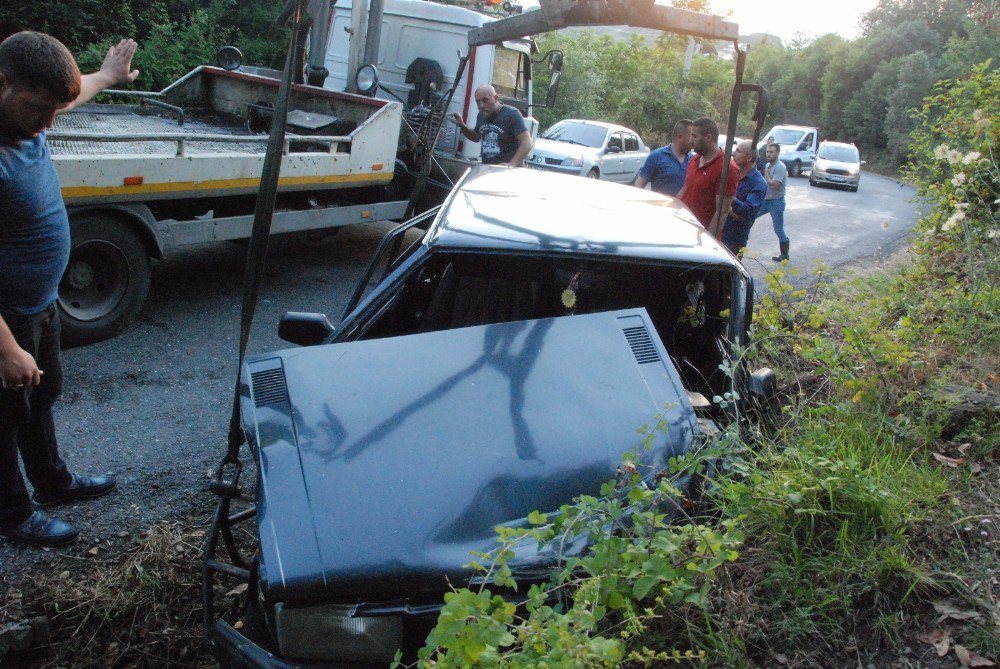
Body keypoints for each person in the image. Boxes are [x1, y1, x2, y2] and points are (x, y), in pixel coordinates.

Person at [0, 32, 138, 548]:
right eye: (41, 109)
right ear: (3, 84)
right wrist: (7, 347)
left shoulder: (22, 113)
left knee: (41, 396)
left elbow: (67, 96)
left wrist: (105, 75)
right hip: (7, 319)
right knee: (4, 416)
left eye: (57, 109)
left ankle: (53, 485)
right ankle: (13, 515)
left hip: (39, 305)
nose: (51, 123)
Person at [677, 117, 738, 237]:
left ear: (708, 138)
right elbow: (685, 188)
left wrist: (708, 242)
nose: (690, 141)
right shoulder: (694, 159)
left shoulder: (727, 168)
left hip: (700, 237)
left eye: (694, 136)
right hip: (683, 229)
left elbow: (722, 211)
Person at [449, 84, 532, 166]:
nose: (481, 105)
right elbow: (476, 137)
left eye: (485, 100)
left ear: (496, 98)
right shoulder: (481, 115)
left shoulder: (512, 114)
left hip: (508, 173)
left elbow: (527, 142)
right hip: (488, 169)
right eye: (478, 101)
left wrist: (511, 164)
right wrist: (462, 126)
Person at [721, 140, 767, 256]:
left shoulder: (759, 183)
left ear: (749, 158)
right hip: (720, 229)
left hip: (735, 239)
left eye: (738, 151)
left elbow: (746, 210)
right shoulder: (732, 173)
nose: (733, 154)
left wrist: (729, 197)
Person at [632, 119, 692, 196]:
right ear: (680, 137)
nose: (693, 141)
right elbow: (639, 185)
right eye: (691, 136)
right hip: (662, 207)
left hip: (684, 208)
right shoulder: (657, 156)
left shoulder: (693, 160)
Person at [759, 143, 790, 261]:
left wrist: (766, 175)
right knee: (750, 217)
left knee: (778, 228)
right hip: (766, 200)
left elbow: (775, 185)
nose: (768, 154)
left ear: (777, 153)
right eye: (767, 152)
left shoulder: (780, 167)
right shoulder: (768, 165)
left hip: (776, 202)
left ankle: (785, 255)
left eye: (771, 152)